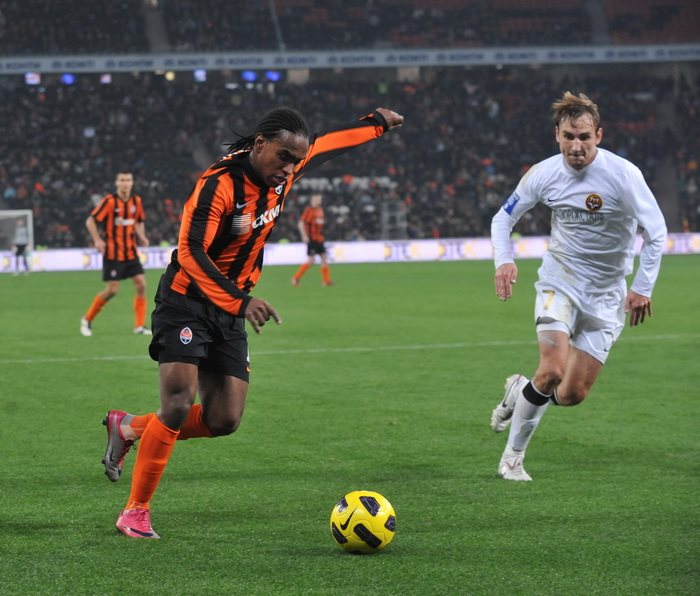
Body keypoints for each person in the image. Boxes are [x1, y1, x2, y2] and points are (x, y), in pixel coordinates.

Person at [102, 106, 404, 539]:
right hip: (187, 300)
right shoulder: (218, 185)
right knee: (178, 401)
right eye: (284, 158)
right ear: (260, 144)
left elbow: (329, 145)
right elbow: (189, 253)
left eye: (295, 161)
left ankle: (129, 427)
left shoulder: (284, 172)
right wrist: (240, 301)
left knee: (224, 418)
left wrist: (376, 124)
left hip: (230, 308)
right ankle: (135, 510)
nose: (290, 168)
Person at [489, 91, 667, 481]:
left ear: (598, 136)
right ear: (557, 135)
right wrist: (504, 260)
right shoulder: (543, 174)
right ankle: (512, 460)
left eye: (584, 137)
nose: (576, 146)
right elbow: (503, 218)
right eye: (569, 136)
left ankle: (519, 390)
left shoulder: (623, 175)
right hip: (560, 282)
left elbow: (656, 233)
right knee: (551, 370)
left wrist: (642, 287)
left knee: (572, 394)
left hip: (606, 294)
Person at [80, 171, 151, 336]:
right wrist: (97, 240)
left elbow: (138, 221)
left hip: (131, 252)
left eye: (128, 180)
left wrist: (142, 236)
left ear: (132, 182)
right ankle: (87, 319)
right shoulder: (109, 202)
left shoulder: (136, 201)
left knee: (141, 285)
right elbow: (90, 221)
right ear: (117, 183)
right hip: (113, 253)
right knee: (112, 290)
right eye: (122, 180)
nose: (125, 183)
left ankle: (139, 326)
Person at [291, 193, 333, 286]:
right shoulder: (309, 210)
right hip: (312, 239)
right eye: (316, 200)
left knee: (324, 258)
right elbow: (301, 223)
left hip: (319, 239)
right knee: (311, 260)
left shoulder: (320, 210)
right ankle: (295, 278)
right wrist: (304, 235)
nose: (318, 201)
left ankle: (326, 281)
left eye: (319, 199)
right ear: (312, 200)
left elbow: (319, 223)